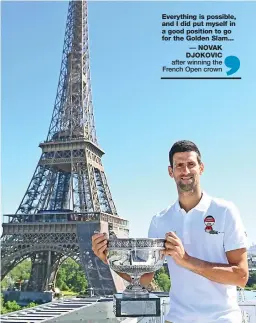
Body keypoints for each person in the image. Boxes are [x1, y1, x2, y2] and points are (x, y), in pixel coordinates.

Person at [92, 140, 249, 323]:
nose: (185, 171)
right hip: (176, 319)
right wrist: (109, 259)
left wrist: (187, 261)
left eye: (191, 164)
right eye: (179, 165)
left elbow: (241, 276)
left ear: (201, 168)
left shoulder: (225, 211)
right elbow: (144, 279)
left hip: (223, 319)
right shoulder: (160, 221)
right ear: (170, 171)